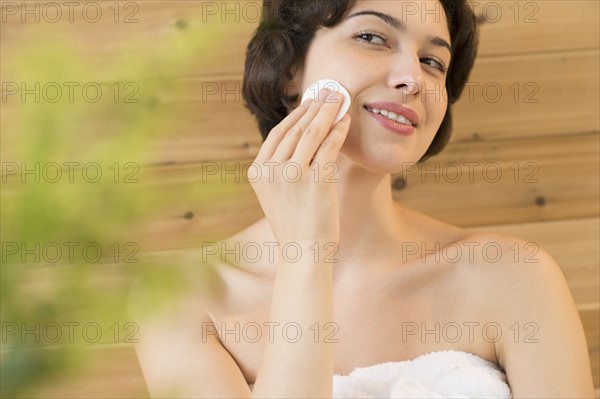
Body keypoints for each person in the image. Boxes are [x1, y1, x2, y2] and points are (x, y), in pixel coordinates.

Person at [131, 0, 596, 397]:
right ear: (290, 68)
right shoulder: (180, 301)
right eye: (373, 37)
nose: (412, 77)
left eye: (433, 62)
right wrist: (306, 256)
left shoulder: (514, 277)